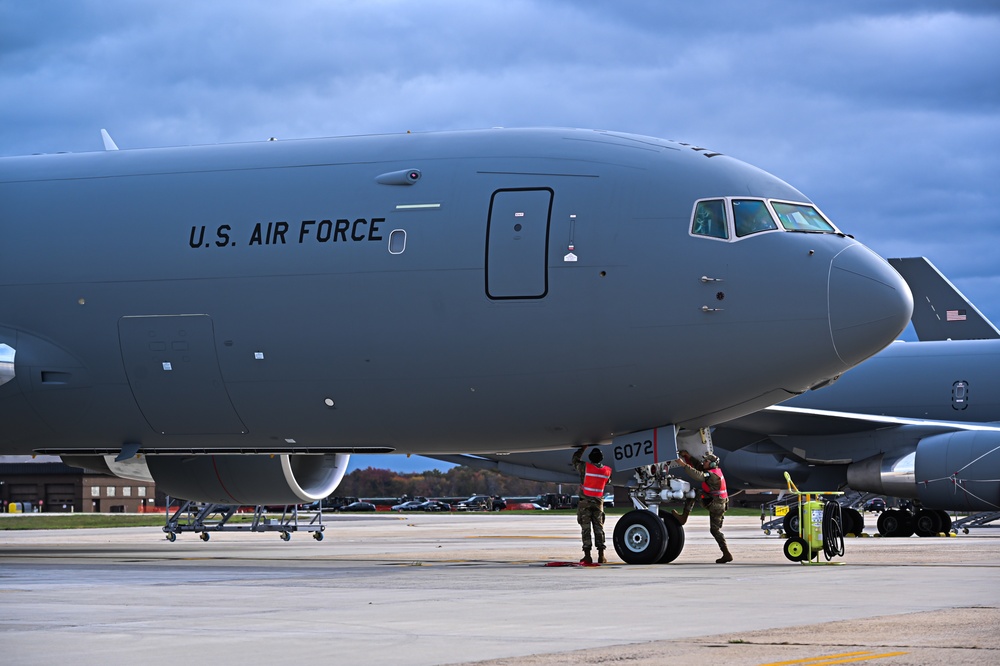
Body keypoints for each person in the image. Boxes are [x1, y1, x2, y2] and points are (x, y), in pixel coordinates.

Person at [674, 452, 733, 563]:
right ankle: (726, 554)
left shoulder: (711, 475)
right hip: (721, 504)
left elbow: (698, 475)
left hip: (714, 504)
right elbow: (698, 467)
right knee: (715, 530)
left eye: (706, 461)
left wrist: (682, 464)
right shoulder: (716, 471)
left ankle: (684, 517)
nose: (703, 462)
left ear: (711, 464)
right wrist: (688, 456)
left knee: (693, 493)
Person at [572, 445, 613, 564]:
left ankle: (587, 555)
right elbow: (608, 481)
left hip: (585, 502)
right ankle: (601, 555)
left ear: (590, 458)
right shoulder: (607, 471)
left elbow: (574, 460)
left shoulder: (585, 467)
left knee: (586, 529)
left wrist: (582, 449)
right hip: (598, 503)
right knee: (599, 528)